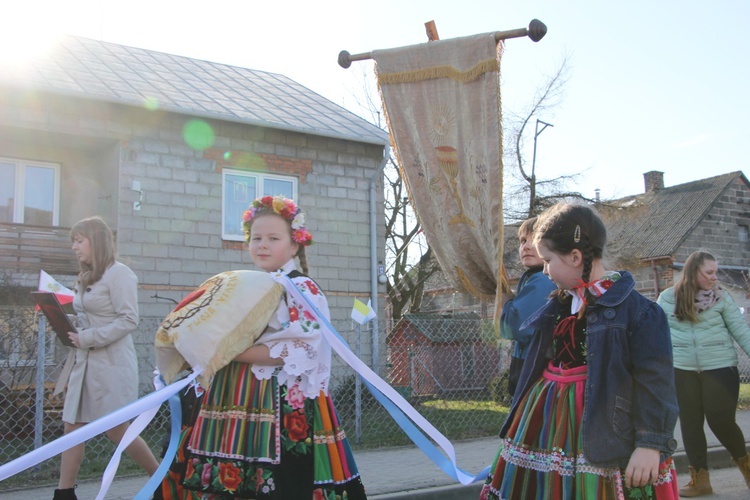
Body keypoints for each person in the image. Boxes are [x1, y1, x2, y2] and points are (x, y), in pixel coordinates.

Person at [161, 195, 366, 499]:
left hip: (280, 403)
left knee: (283, 484)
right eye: (256, 238)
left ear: (294, 245)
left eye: (273, 238)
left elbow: (299, 350)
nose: (262, 245)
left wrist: (226, 351)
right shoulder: (248, 285)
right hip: (239, 398)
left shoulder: (301, 288)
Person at [480, 202, 680, 500]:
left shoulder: (640, 313)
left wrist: (651, 444)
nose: (544, 269)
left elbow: (657, 381)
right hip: (547, 422)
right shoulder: (558, 303)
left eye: (548, 260)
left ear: (575, 257)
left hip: (603, 429)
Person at [53, 216, 159, 500]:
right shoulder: (87, 276)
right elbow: (91, 315)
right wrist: (60, 319)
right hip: (83, 365)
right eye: (72, 242)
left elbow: (128, 319)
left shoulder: (120, 273)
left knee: (116, 431)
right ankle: (64, 494)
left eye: (79, 240)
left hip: (111, 365)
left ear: (96, 241)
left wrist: (86, 338)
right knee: (72, 427)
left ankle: (160, 478)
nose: (74, 247)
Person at [656, 250, 750, 496]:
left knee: (721, 421)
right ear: (693, 272)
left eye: (715, 272)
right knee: (690, 424)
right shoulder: (667, 299)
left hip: (720, 369)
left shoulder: (722, 298)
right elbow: (655, 336)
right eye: (709, 272)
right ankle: (700, 480)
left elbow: (742, 331)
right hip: (682, 370)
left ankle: (746, 465)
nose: (714, 277)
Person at [499, 217, 556, 397]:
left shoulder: (542, 281)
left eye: (535, 240)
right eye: (523, 241)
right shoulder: (532, 277)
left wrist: (505, 301)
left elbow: (515, 327)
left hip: (536, 371)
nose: (527, 246)